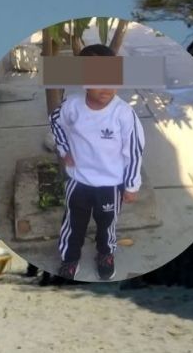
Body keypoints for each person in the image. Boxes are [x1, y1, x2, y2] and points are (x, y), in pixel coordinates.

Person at [51, 43, 146, 281]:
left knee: (107, 224)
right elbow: (55, 123)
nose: (107, 87)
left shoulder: (124, 115)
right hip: (78, 180)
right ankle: (70, 259)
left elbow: (134, 151)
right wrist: (64, 151)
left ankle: (106, 253)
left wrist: (131, 185)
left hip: (110, 184)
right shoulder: (71, 107)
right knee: (73, 223)